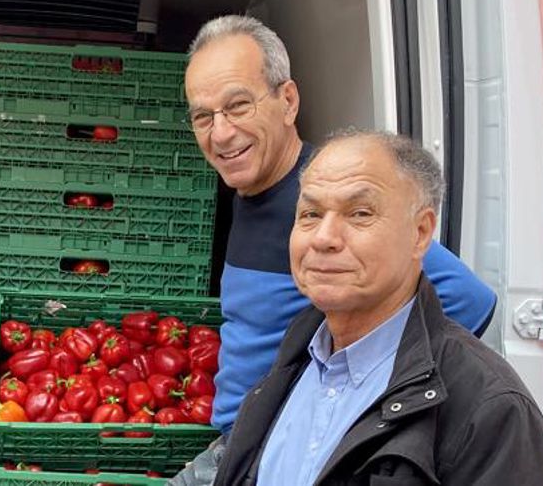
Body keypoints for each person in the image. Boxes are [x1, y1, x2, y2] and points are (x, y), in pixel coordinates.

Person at [169, 15, 496, 485]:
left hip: (285, 446)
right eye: (204, 116)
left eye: (238, 106)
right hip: (240, 442)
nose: (220, 133)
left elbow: (469, 299)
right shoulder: (250, 191)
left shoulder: (322, 200)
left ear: (287, 100)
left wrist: (355, 404)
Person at [213, 130, 543, 485]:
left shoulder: (491, 409)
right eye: (310, 213)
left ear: (420, 233)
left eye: (359, 213)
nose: (323, 237)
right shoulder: (293, 359)